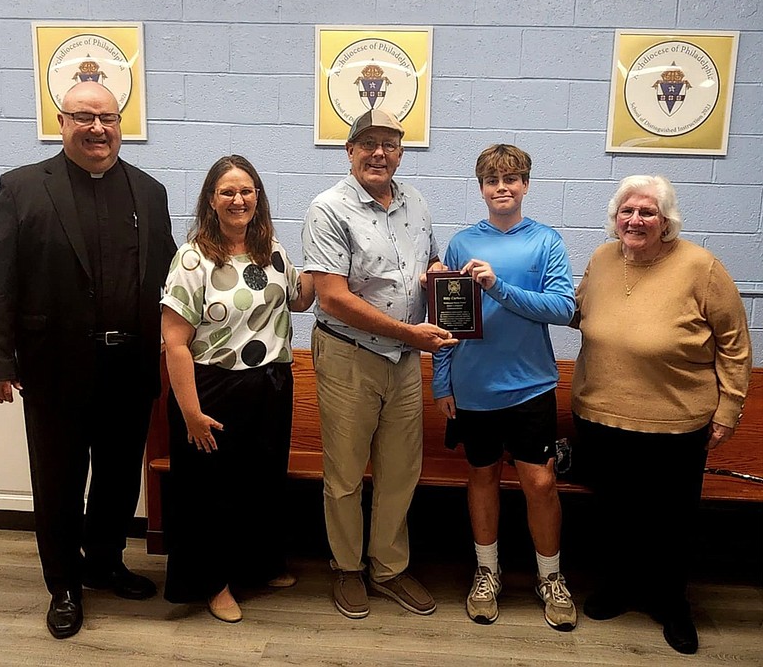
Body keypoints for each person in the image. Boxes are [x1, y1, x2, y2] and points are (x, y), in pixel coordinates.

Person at [0, 81, 176, 639]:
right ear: (61, 121)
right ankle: (63, 584)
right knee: (59, 481)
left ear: (121, 122)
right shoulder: (21, 188)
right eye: (84, 117)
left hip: (129, 367)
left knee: (115, 479)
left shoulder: (149, 191)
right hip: (54, 367)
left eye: (107, 117)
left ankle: (105, 564)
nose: (97, 128)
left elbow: (170, 278)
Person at [570, 174, 752, 655]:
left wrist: (728, 409)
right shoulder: (601, 259)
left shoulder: (701, 267)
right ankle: (620, 588)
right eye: (627, 212)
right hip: (599, 416)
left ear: (666, 221)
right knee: (614, 514)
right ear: (615, 218)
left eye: (647, 212)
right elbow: (575, 311)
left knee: (670, 521)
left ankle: (672, 603)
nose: (636, 221)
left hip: (675, 423)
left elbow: (735, 346)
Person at [301, 109, 456, 619]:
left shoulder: (416, 201)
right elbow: (332, 298)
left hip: (405, 360)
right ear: (350, 151)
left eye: (389, 144)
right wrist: (411, 333)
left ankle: (387, 567)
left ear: (401, 152)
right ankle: (347, 567)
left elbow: (427, 261)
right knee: (345, 474)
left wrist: (444, 281)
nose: (378, 153)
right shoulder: (328, 208)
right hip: (350, 354)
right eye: (367, 143)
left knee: (400, 471)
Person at [161, 154, 315, 623]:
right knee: (212, 493)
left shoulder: (272, 250)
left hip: (270, 385)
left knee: (260, 484)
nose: (238, 199)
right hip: (212, 389)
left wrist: (330, 260)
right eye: (227, 191)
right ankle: (213, 583)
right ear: (211, 199)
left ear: (258, 198)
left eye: (246, 190)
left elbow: (300, 298)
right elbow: (173, 341)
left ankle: (258, 564)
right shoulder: (193, 257)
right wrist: (190, 412)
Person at [432, 144, 578, 631]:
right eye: (493, 180)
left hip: (531, 387)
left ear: (526, 185)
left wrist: (497, 286)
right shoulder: (459, 244)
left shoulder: (547, 241)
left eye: (511, 179)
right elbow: (448, 318)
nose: (502, 187)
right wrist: (441, 379)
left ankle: (550, 577)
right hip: (473, 389)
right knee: (482, 478)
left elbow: (561, 309)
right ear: (480, 188)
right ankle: (487, 571)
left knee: (541, 482)